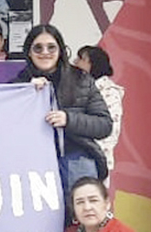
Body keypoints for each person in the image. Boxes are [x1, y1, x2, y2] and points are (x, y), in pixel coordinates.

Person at [14, 25, 112, 198]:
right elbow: (5, 127)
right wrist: (26, 93)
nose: (45, 52)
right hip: (31, 162)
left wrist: (69, 119)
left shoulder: (81, 79)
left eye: (51, 47)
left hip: (76, 156)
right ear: (29, 52)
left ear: (60, 50)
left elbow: (104, 125)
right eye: (38, 48)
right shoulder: (18, 85)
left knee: (82, 209)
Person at [76, 45, 124, 176]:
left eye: (81, 59)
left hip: (96, 160)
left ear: (94, 64)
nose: (75, 62)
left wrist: (90, 151)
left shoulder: (109, 92)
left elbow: (111, 131)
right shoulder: (78, 87)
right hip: (75, 158)